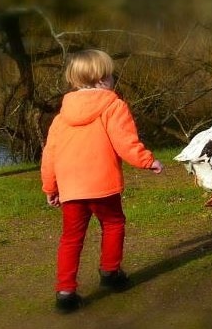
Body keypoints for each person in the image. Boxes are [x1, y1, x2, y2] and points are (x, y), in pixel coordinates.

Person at [41, 49, 163, 314]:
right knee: (113, 223)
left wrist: (50, 187)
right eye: (109, 76)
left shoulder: (62, 117)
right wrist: (147, 160)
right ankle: (110, 272)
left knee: (71, 238)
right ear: (100, 80)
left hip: (71, 189)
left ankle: (65, 292)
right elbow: (125, 142)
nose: (112, 80)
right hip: (102, 185)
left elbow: (49, 154)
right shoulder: (113, 106)